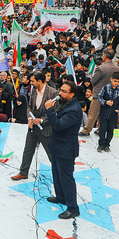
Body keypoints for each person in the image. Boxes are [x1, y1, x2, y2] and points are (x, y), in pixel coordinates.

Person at [44, 82, 82, 219]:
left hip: (66, 149)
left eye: (64, 91)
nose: (60, 93)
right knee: (56, 174)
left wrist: (49, 110)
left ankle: (73, 208)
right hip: (57, 146)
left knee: (66, 178)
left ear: (72, 94)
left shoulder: (74, 110)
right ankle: (61, 197)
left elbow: (58, 125)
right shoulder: (66, 104)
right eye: (60, 90)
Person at [11, 72, 57, 180]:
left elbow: (55, 112)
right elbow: (29, 106)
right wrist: (30, 118)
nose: (30, 83)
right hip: (33, 128)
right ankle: (23, 172)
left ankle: (58, 173)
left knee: (51, 154)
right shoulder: (34, 91)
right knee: (28, 150)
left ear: (39, 81)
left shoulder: (52, 92)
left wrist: (41, 120)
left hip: (46, 129)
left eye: (32, 81)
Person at [80, 49, 119, 136]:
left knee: (93, 114)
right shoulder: (116, 67)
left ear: (105, 56)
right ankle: (100, 130)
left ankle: (86, 130)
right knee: (104, 114)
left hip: (98, 94)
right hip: (109, 94)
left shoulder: (101, 68)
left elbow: (93, 81)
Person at [96, 72, 119, 152]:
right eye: (115, 81)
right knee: (102, 129)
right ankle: (101, 144)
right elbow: (99, 97)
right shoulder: (105, 88)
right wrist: (105, 102)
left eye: (118, 82)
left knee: (110, 130)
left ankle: (107, 144)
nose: (116, 83)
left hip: (114, 114)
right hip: (104, 113)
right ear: (111, 79)